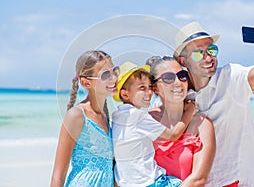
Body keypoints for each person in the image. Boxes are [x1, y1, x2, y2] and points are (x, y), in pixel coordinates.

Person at [173, 21, 254, 187]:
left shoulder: (231, 78)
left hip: (232, 181)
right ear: (183, 61)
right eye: (198, 53)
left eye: (212, 50)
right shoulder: (180, 93)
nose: (208, 57)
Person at [111, 62, 197, 187]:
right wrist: (189, 110)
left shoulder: (117, 116)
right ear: (125, 94)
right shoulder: (139, 116)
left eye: (150, 87)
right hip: (150, 182)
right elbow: (173, 135)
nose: (149, 93)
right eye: (142, 88)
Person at [50, 50, 120, 187]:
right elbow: (58, 176)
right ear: (86, 83)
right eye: (106, 74)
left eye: (115, 71)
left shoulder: (105, 117)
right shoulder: (76, 116)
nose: (114, 78)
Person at [146, 56, 216, 187]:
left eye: (182, 75)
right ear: (154, 87)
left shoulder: (202, 124)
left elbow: (198, 179)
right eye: (168, 78)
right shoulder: (146, 120)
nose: (178, 82)